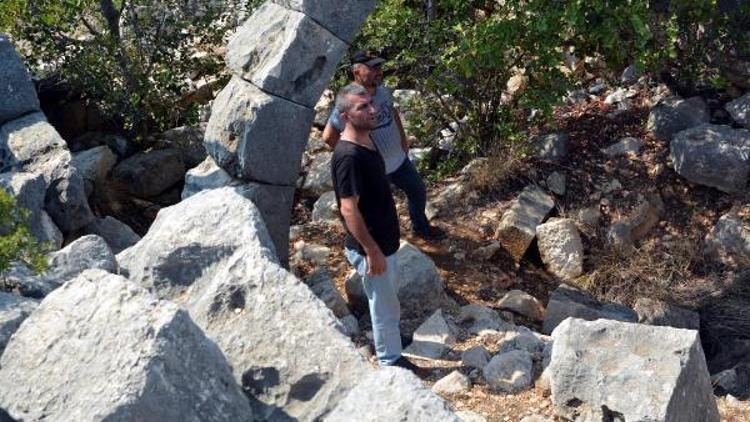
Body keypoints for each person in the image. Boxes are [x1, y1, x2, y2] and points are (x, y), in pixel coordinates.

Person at [331, 83, 422, 374]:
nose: (373, 110)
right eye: (362, 107)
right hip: (372, 247)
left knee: (388, 298)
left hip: (384, 240)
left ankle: (391, 338)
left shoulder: (367, 142)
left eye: (371, 104)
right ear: (345, 116)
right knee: (382, 304)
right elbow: (348, 208)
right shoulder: (349, 156)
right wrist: (371, 251)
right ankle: (389, 359)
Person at [323, 50, 445, 241]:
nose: (378, 71)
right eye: (372, 68)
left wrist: (403, 141)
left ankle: (420, 228)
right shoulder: (350, 101)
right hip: (374, 169)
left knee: (417, 190)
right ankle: (377, 246)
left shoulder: (383, 92)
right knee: (379, 210)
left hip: (398, 159)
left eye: (379, 66)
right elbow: (329, 136)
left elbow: (393, 113)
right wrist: (357, 157)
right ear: (356, 72)